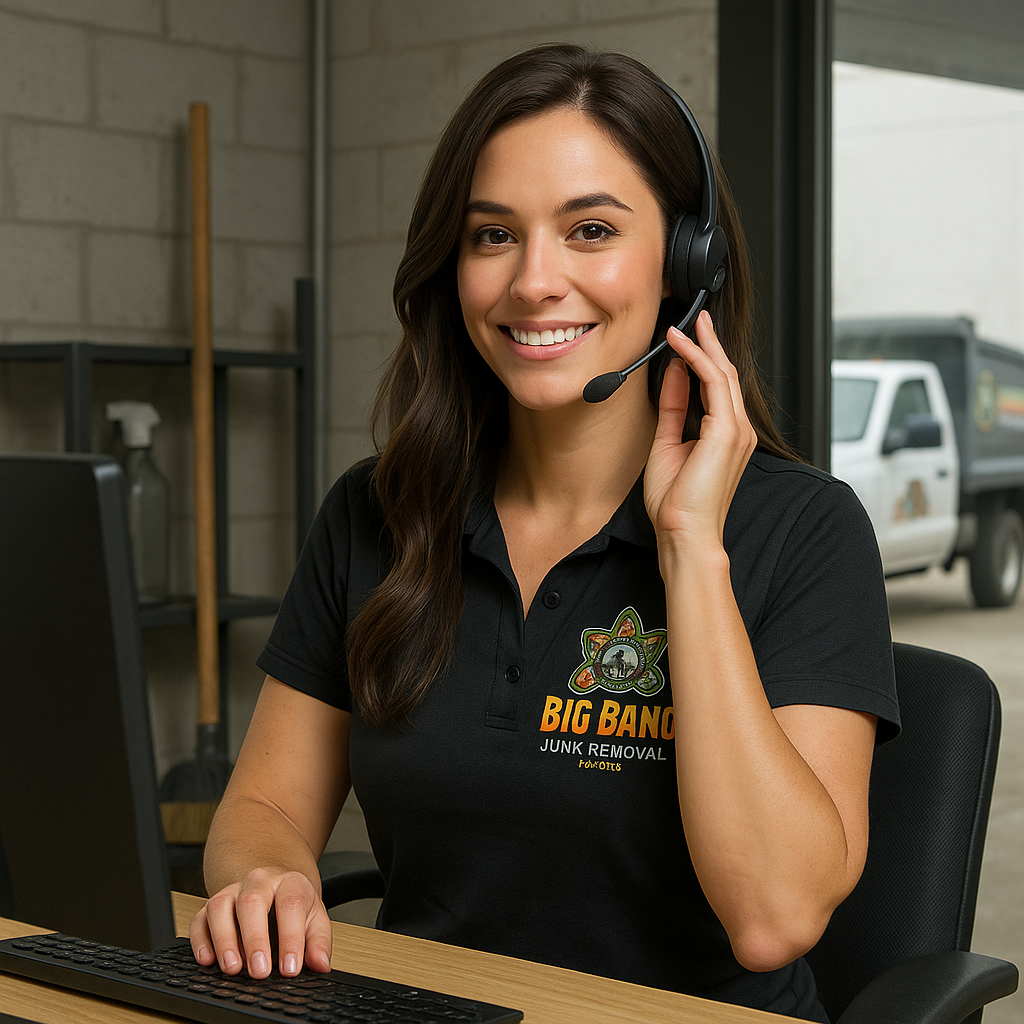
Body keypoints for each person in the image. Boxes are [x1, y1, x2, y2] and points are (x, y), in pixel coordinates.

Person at [190, 43, 899, 1021]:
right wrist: (268, 877)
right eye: (492, 236)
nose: (533, 281)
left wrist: (690, 548)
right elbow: (262, 810)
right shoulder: (377, 510)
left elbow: (773, 917)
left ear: (685, 264)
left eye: (590, 229)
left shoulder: (804, 529)